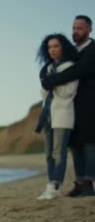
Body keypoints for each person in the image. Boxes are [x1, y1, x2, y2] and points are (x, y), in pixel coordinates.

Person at [41, 15, 95, 197]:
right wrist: (45, 74)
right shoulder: (72, 51)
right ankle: (80, 182)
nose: (75, 31)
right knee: (75, 144)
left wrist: (52, 80)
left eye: (80, 28)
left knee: (88, 144)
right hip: (71, 105)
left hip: (89, 102)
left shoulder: (93, 49)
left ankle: (88, 184)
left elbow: (81, 70)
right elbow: (55, 65)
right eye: (73, 28)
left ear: (89, 29)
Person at [35, 33, 79, 200]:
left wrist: (52, 83)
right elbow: (43, 93)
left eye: (56, 46)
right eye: (50, 47)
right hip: (47, 116)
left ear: (63, 48)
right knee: (48, 154)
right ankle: (50, 186)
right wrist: (51, 84)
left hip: (62, 114)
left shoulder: (70, 67)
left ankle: (56, 186)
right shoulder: (47, 68)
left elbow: (68, 92)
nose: (52, 50)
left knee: (58, 153)